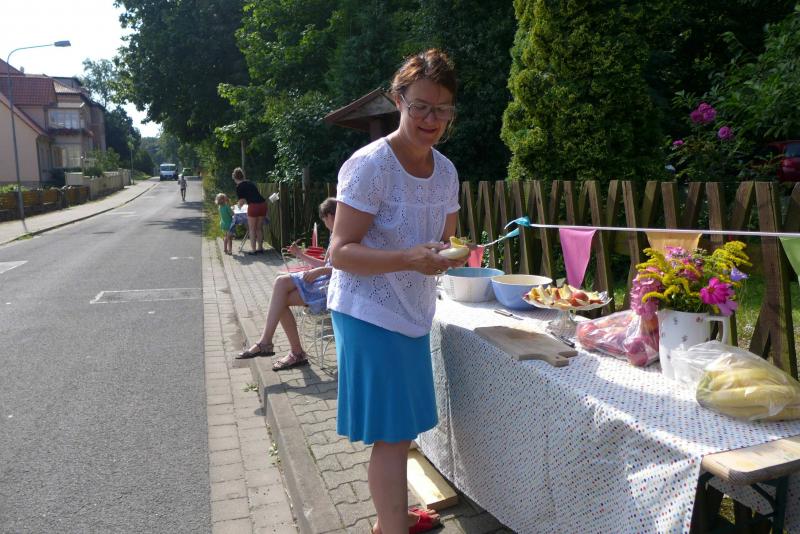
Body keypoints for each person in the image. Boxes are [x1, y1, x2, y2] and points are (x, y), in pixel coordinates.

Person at [327, 49, 465, 534]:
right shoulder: (370, 166)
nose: (431, 119)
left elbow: (446, 240)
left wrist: (449, 255)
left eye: (442, 109)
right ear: (398, 100)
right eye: (420, 106)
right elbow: (340, 252)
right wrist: (409, 258)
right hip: (368, 310)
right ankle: (391, 527)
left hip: (412, 310)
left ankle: (393, 516)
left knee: (401, 428)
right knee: (391, 434)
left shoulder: (446, 172)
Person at [237, 198, 338, 371]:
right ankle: (292, 351)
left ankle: (270, 344)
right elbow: (325, 264)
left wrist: (320, 271)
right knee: (280, 296)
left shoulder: (344, 235)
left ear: (330, 216)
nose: (325, 224)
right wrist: (300, 254)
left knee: (280, 286)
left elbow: (346, 269)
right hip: (322, 284)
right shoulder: (335, 235)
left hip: (329, 289)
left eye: (324, 220)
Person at [231, 167, 267, 254]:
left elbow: (241, 201)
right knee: (259, 228)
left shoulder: (239, 187)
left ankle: (253, 250)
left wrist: (235, 207)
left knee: (252, 229)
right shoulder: (250, 183)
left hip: (254, 206)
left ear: (234, 177)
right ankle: (260, 248)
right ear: (242, 176)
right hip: (263, 205)